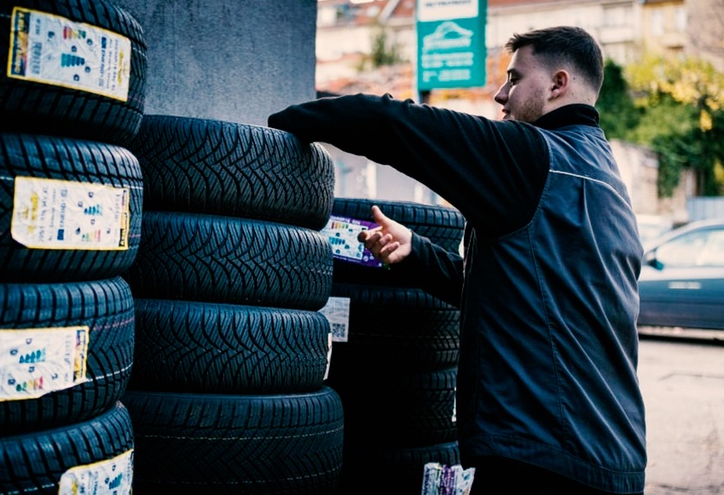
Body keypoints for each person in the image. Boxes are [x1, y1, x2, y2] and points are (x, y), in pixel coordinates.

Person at [268, 26, 646, 494]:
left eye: (514, 77)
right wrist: (417, 254)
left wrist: (271, 130)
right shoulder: (606, 178)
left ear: (558, 84)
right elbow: (527, 300)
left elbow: (391, 123)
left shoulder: (531, 156)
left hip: (541, 458)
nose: (500, 94)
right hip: (614, 459)